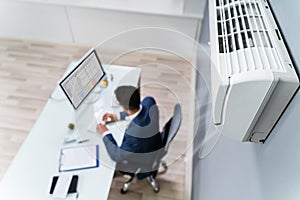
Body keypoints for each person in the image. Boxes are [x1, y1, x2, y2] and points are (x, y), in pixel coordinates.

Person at [96, 85, 163, 178]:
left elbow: (116, 155)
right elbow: (139, 109)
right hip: (155, 142)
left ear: (123, 106)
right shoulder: (149, 101)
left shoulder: (134, 134)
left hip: (144, 156)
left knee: (104, 158)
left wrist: (105, 133)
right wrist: (117, 117)